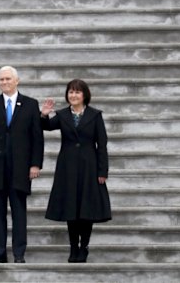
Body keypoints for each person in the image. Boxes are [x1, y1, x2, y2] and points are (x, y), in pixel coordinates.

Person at [0, 66, 44, 263]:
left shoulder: (30, 104)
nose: (4, 82)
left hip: (20, 167)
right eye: (1, 80)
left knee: (19, 212)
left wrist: (35, 164)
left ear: (17, 81)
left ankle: (19, 253)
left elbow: (37, 137)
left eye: (7, 79)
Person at [40, 78, 111, 263]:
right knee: (71, 207)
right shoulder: (63, 115)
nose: (73, 95)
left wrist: (102, 171)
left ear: (84, 95)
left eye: (77, 92)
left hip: (90, 166)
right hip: (68, 166)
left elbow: (102, 144)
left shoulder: (95, 115)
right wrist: (44, 115)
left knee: (86, 208)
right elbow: (45, 126)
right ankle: (73, 248)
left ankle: (84, 246)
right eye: (71, 92)